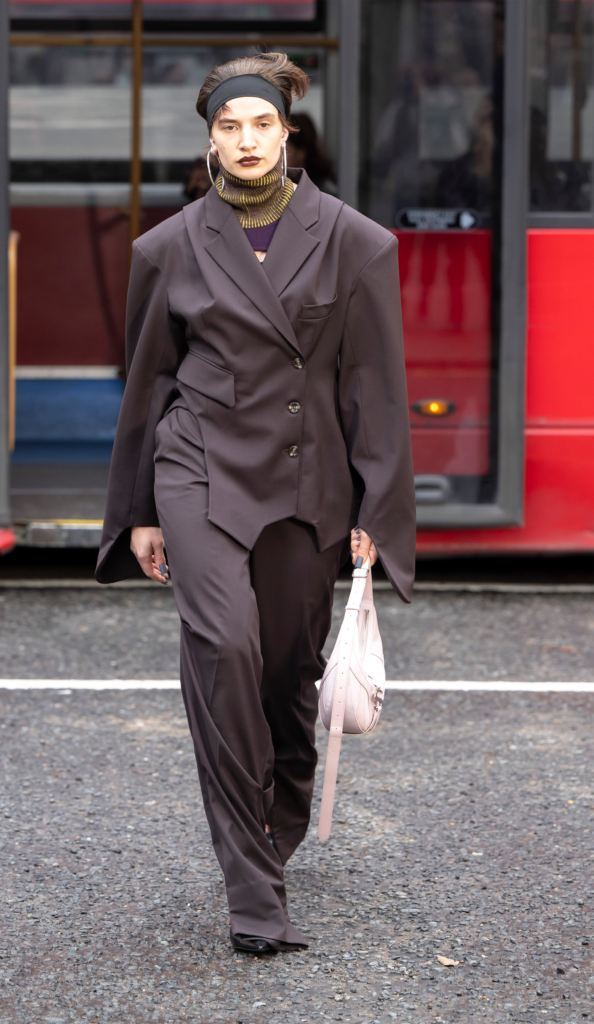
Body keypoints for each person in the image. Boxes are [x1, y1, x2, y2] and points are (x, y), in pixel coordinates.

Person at [96, 52, 415, 954]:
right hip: (197, 467)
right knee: (222, 647)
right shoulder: (167, 249)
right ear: (209, 140)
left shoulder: (356, 241)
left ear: (287, 133)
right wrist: (140, 512)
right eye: (229, 126)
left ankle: (280, 803)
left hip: (305, 479)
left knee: (285, 671)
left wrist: (376, 511)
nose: (245, 140)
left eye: (261, 124)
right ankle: (252, 896)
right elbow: (146, 384)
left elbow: (376, 390)